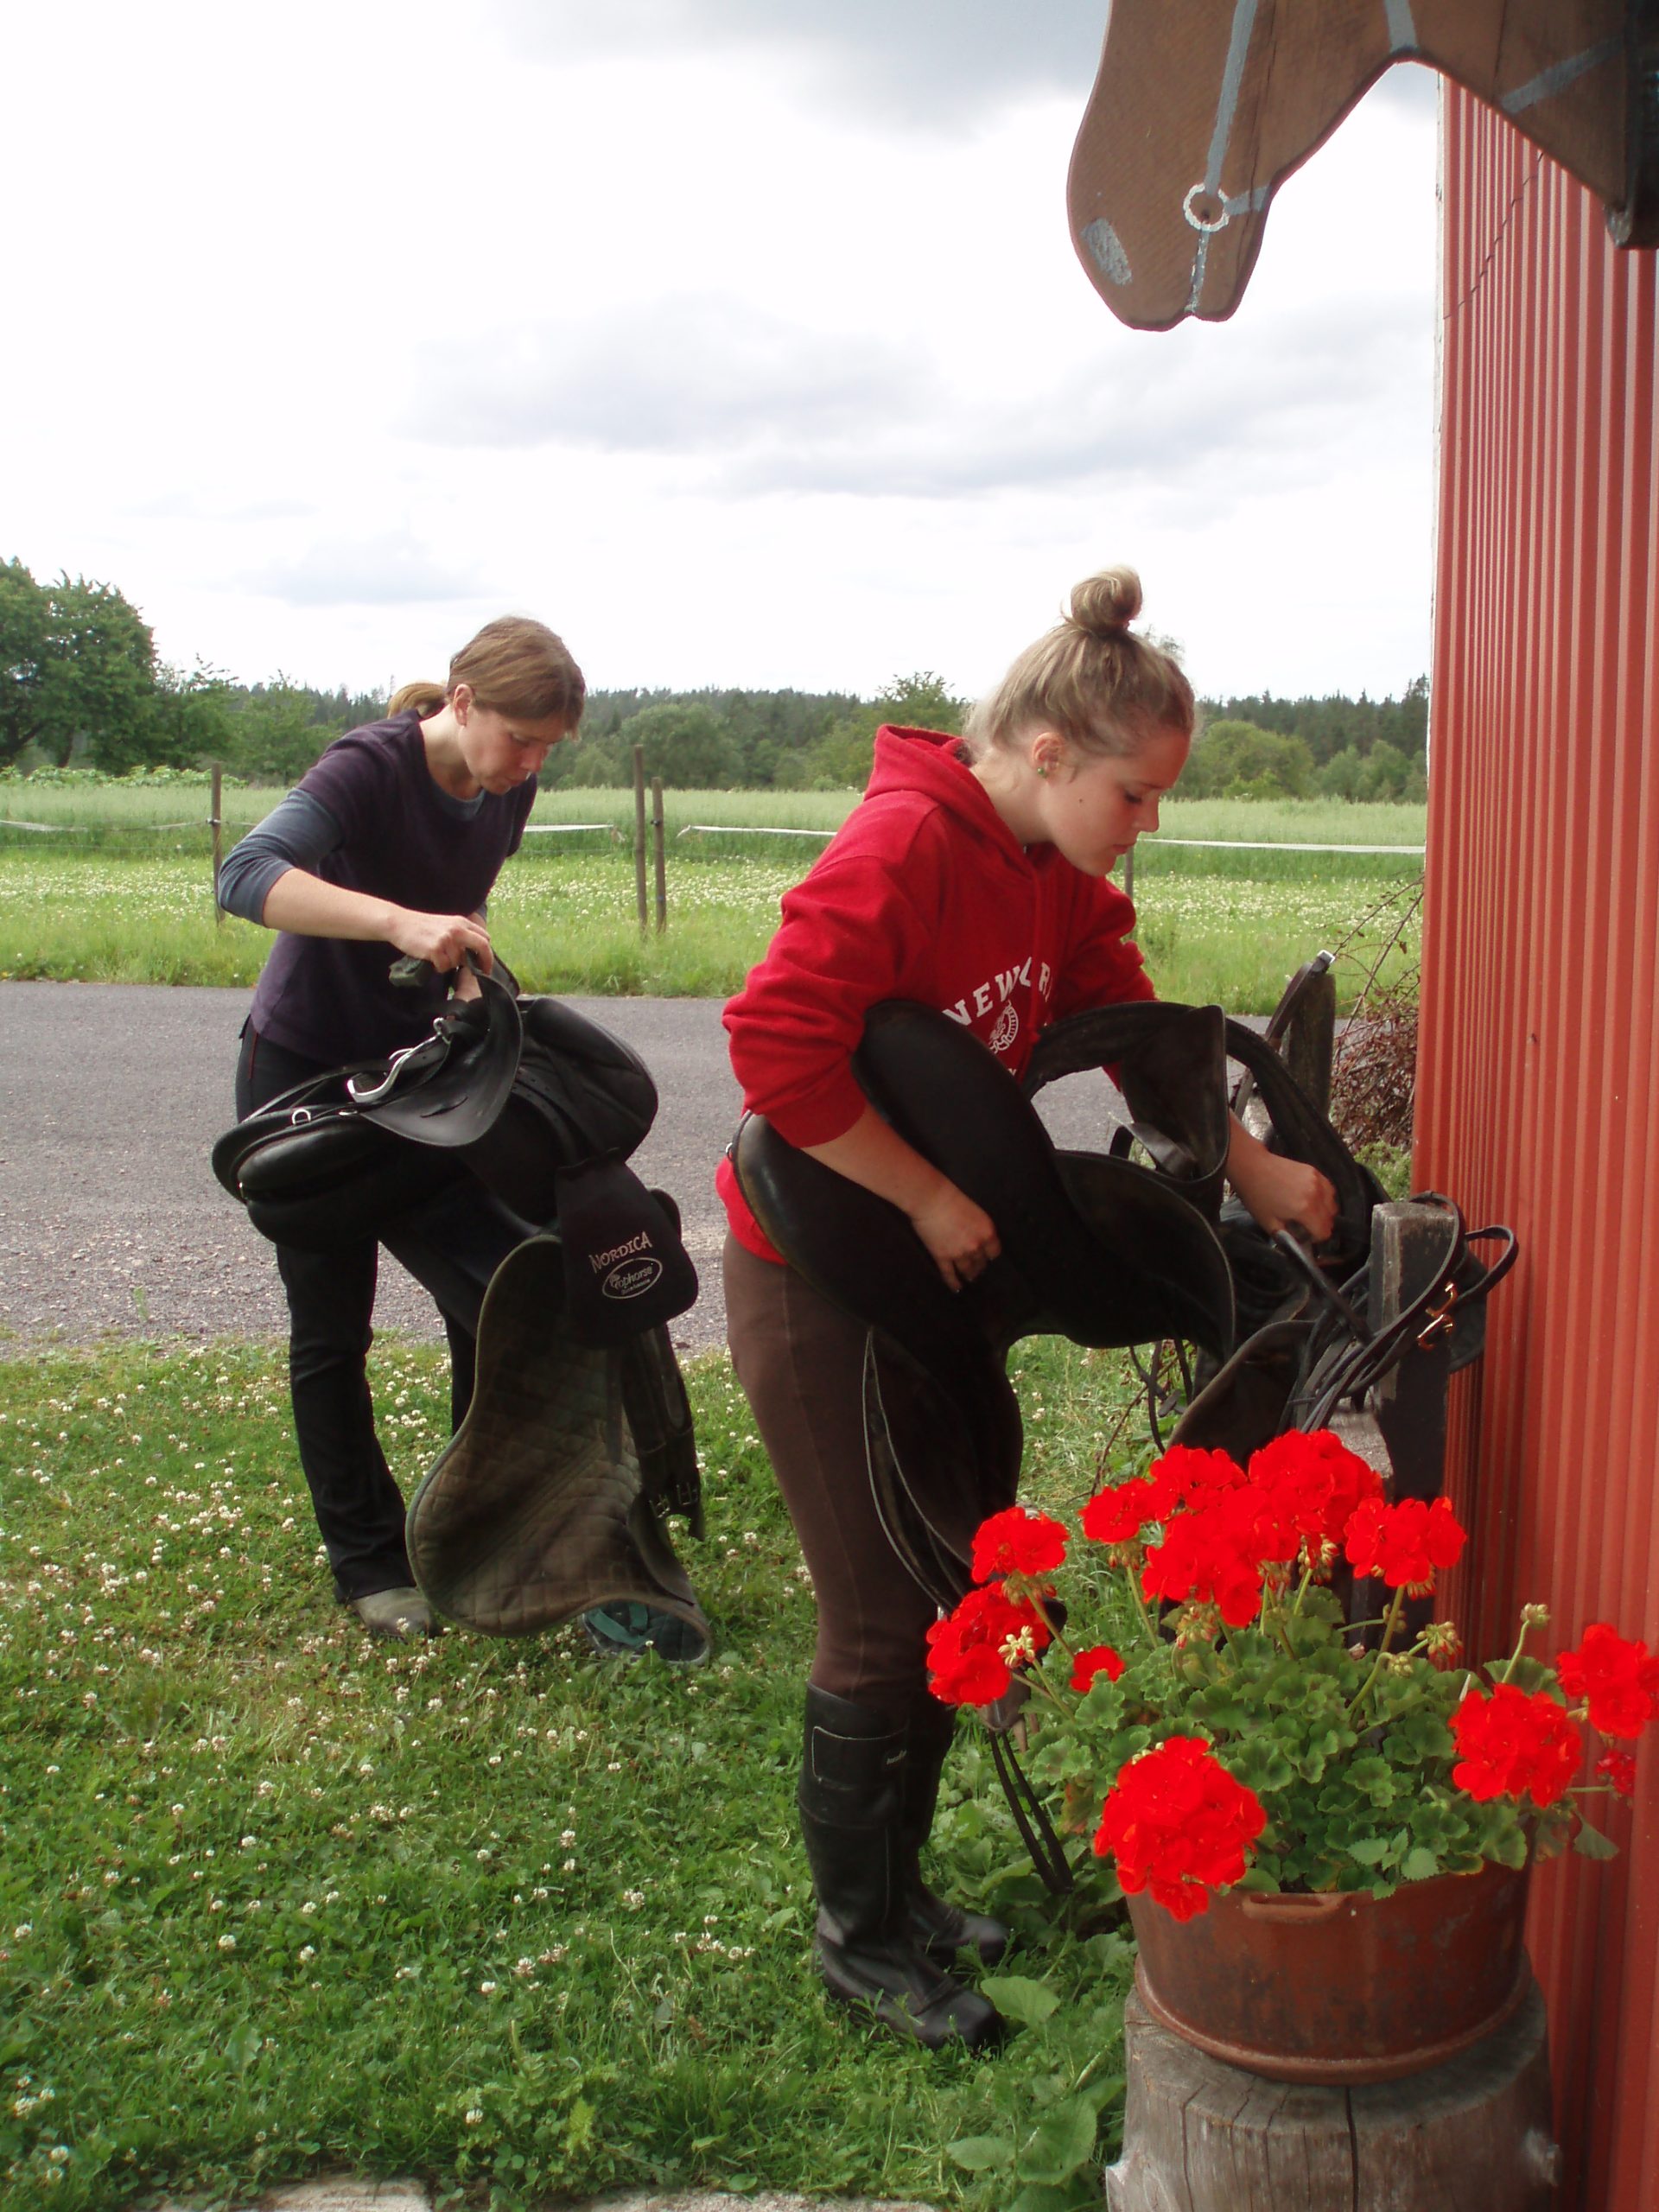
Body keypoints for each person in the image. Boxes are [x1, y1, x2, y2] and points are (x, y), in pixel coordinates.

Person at [717, 567, 1338, 2048]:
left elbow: (1127, 1027)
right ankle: (859, 1940)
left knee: (957, 1575)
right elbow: (773, 1042)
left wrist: (1256, 1164)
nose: (1149, 826)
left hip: (937, 1263)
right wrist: (925, 1196)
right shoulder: (900, 848)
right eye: (1138, 794)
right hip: (821, 1265)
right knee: (880, 1613)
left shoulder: (1058, 872)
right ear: (1051, 753)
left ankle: (908, 1899)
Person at [218, 616, 582, 1639]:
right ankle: (369, 1563)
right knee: (333, 1328)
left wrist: (456, 961)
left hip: (420, 1081)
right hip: (303, 1074)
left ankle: (480, 1525)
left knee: (493, 1293)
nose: (530, 764)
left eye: (549, 747)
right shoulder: (369, 767)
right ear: (461, 705)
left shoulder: (507, 788)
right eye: (520, 737)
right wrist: (397, 920)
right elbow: (244, 874)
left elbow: (445, 909)